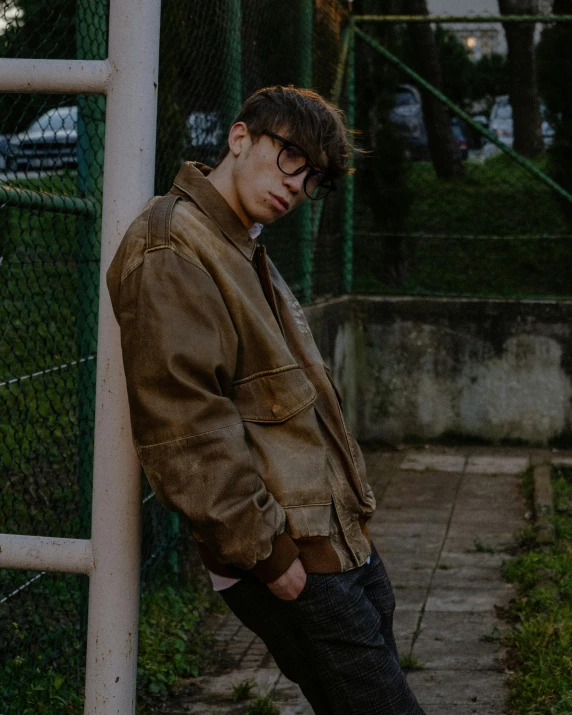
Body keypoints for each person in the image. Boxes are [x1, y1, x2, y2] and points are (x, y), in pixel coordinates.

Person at [107, 85, 425, 715]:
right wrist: (269, 554)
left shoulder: (239, 242)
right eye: (290, 157)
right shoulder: (173, 245)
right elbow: (186, 423)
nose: (296, 186)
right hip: (288, 553)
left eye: (311, 177)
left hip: (335, 540)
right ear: (239, 137)